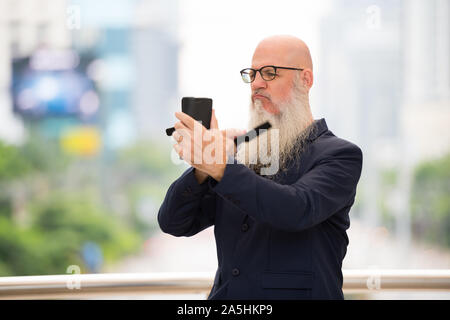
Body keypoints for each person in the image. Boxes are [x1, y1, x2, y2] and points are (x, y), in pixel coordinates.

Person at [158, 35, 363, 299]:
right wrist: (203, 166)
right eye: (252, 74)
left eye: (269, 73)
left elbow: (296, 209)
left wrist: (219, 164)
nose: (256, 84)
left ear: (306, 79)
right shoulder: (243, 152)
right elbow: (174, 222)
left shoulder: (340, 155)